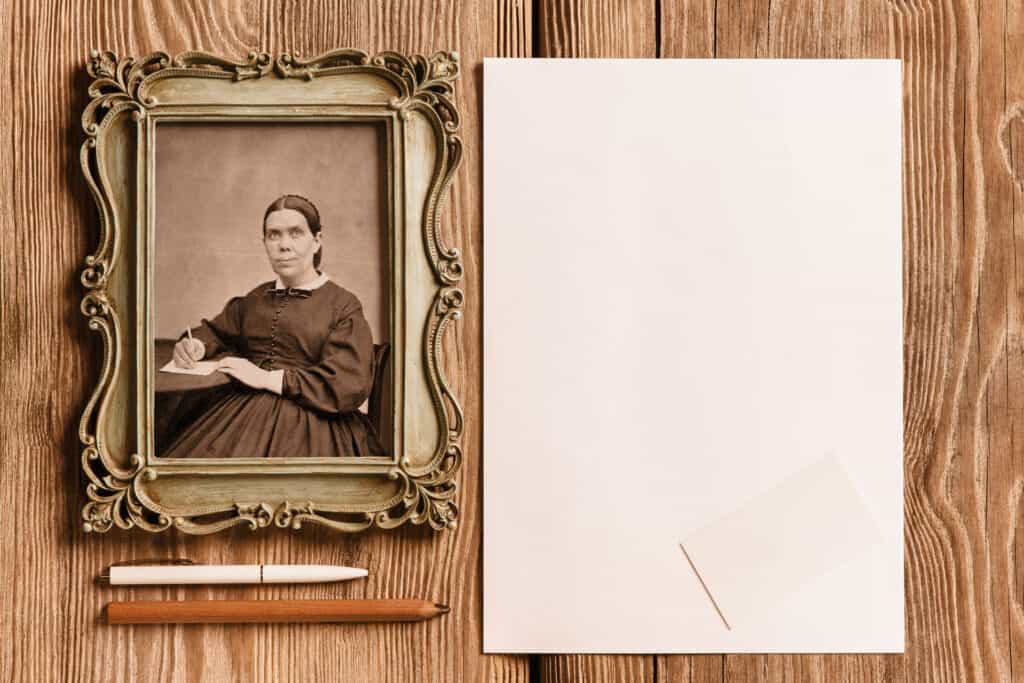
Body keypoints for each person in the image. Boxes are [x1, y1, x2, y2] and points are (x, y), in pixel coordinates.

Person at [161, 194, 385, 459]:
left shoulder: (343, 306)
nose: (284, 245)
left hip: (316, 424)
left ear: (317, 241)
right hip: (240, 417)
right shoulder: (255, 299)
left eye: (296, 233)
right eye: (274, 235)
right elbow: (214, 331)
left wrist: (266, 379)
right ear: (264, 243)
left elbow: (348, 383)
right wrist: (195, 345)